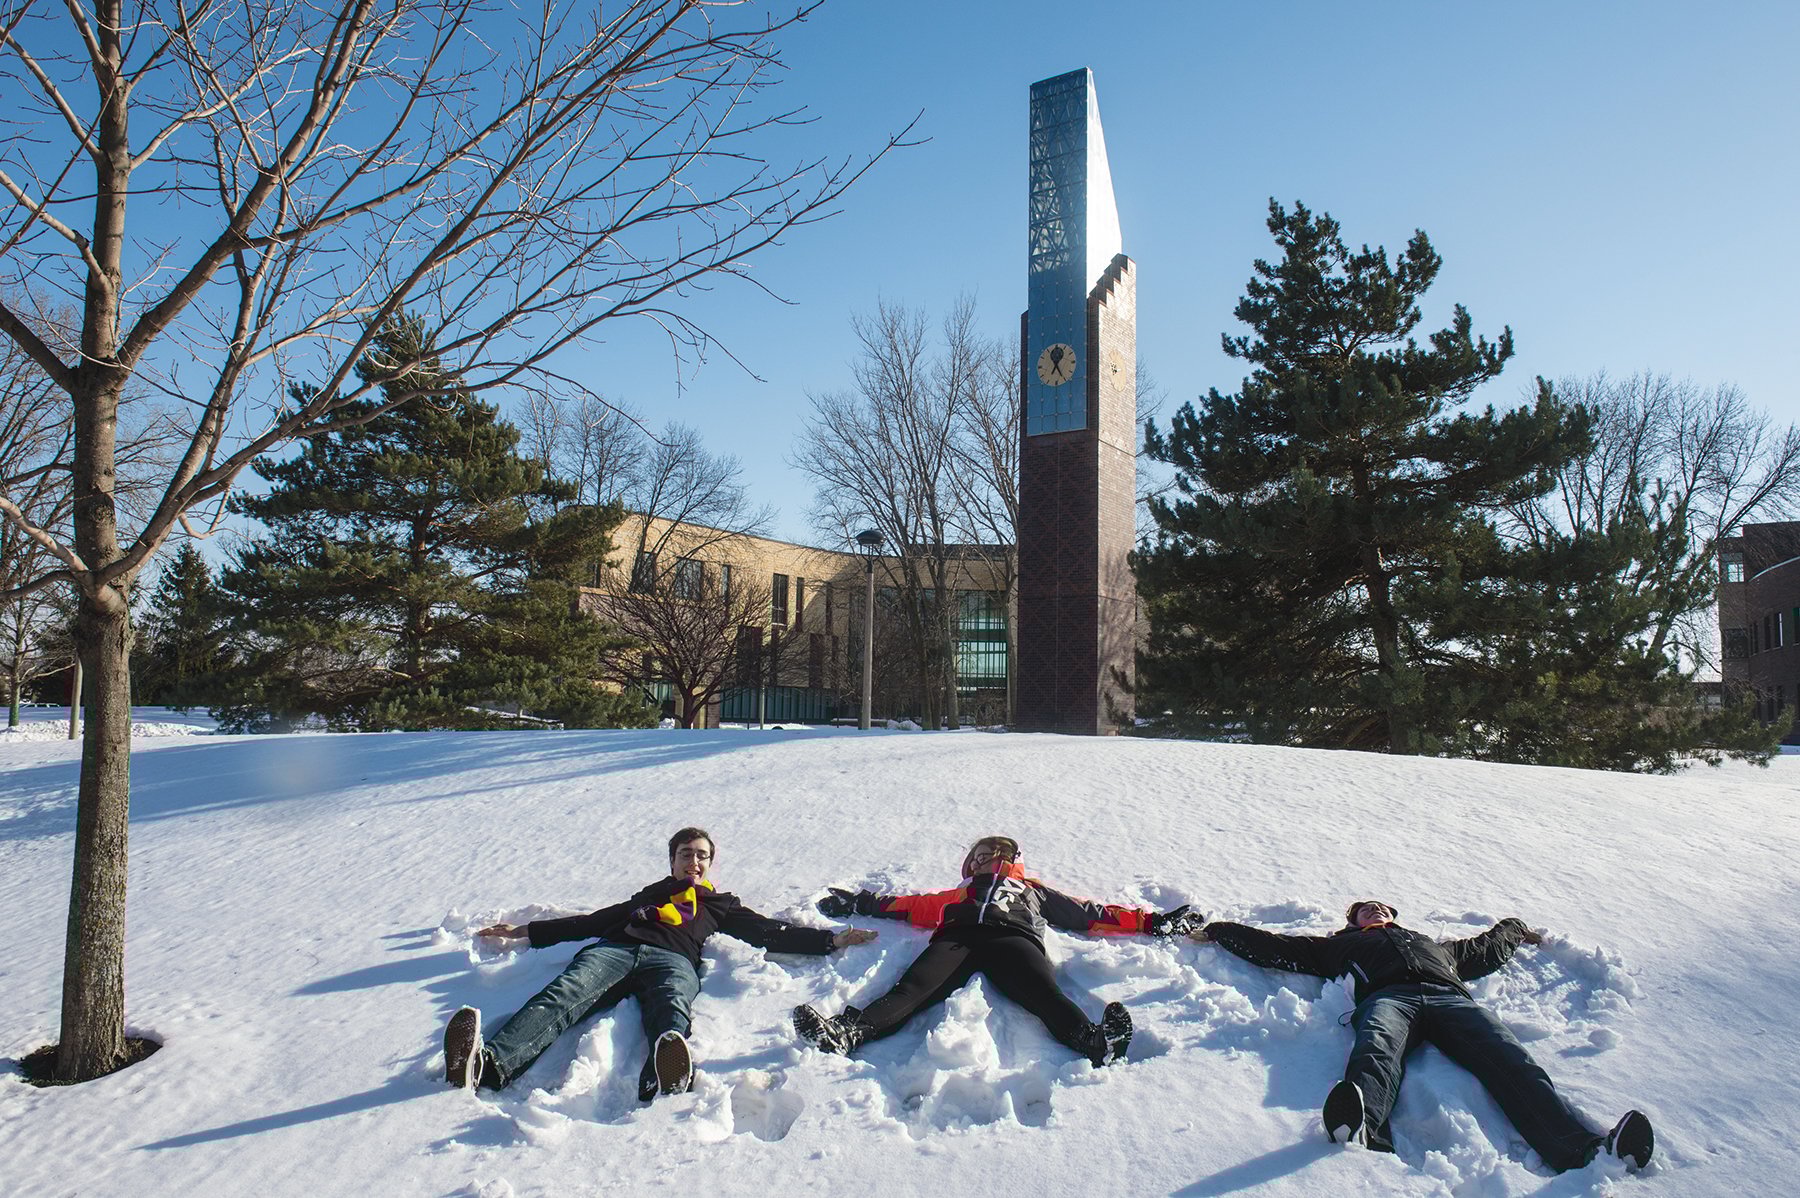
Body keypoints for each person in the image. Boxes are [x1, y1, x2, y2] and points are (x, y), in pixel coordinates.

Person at [1195, 900, 1654, 1172]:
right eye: (1363, 909)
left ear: (1393, 914)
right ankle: (1362, 1130)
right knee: (1375, 1051)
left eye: (1379, 907)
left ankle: (1586, 1149)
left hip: (1451, 1000)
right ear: (1354, 921)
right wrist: (1219, 930)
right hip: (1388, 999)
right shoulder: (1336, 946)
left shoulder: (1437, 947)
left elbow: (1486, 949)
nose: (1373, 909)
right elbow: (1276, 947)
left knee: (1513, 1061)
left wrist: (1515, 928)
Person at [442, 826, 878, 1101]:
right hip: (615, 950)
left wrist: (831, 939)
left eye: (701, 855)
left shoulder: (719, 903)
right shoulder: (649, 896)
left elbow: (767, 931)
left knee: (671, 1011)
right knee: (563, 995)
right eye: (686, 853)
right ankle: (486, 1065)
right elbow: (595, 922)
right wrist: (525, 932)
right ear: (673, 861)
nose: (694, 860)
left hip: (673, 961)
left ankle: (666, 1076)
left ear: (709, 864)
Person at [791, 835, 1202, 1066]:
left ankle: (1096, 1042)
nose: (986, 860)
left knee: (1045, 994)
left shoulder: (1032, 890)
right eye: (978, 857)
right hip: (958, 937)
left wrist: (1153, 922)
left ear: (1010, 859)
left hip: (1013, 940)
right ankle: (845, 1033)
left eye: (993, 854)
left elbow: (1088, 914)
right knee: (911, 990)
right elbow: (909, 905)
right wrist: (860, 903)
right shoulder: (959, 894)